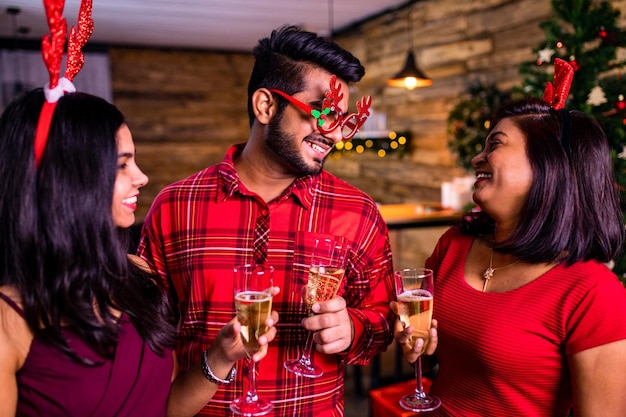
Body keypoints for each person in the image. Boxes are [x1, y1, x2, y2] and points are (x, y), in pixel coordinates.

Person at [138, 24, 396, 416]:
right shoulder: (175, 206)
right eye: (323, 112)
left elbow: (383, 317)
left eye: (343, 121)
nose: (335, 136)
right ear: (265, 106)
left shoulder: (358, 212)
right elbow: (147, 336)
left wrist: (354, 329)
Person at [0, 88, 278, 417]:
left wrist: (221, 355)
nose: (142, 177)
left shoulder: (137, 273)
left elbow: (169, 406)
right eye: (122, 165)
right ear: (67, 179)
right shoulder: (10, 316)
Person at [394, 60, 626, 416]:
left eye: (495, 145)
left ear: (548, 165)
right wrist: (415, 342)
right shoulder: (454, 244)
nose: (477, 157)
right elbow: (427, 341)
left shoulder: (594, 293)